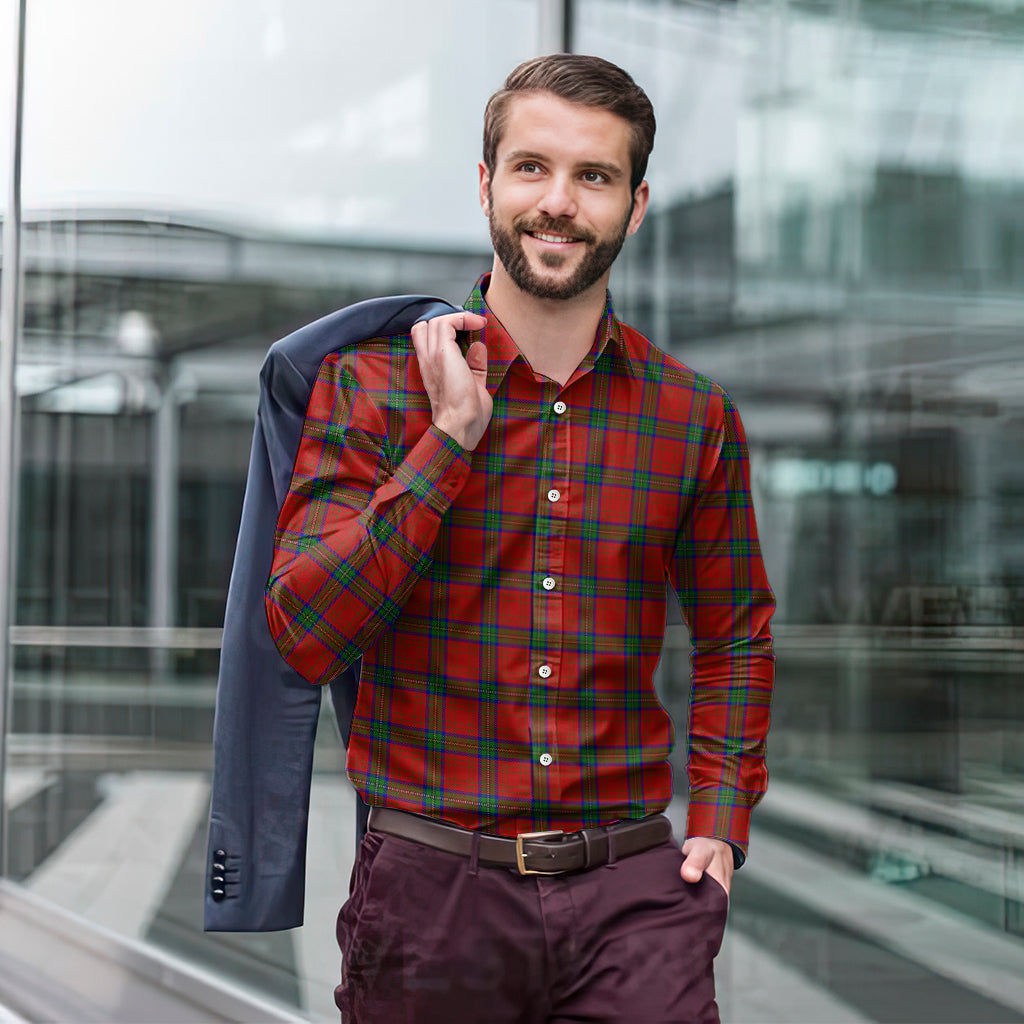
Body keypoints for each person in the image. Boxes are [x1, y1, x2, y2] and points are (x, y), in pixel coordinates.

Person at [265, 53, 775, 1024]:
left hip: (635, 896)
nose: (559, 202)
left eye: (595, 176)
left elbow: (734, 633)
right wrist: (449, 439)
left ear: (636, 202)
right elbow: (303, 631)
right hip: (432, 897)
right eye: (532, 167)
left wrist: (718, 817)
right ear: (486, 182)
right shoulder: (369, 391)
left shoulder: (691, 417)